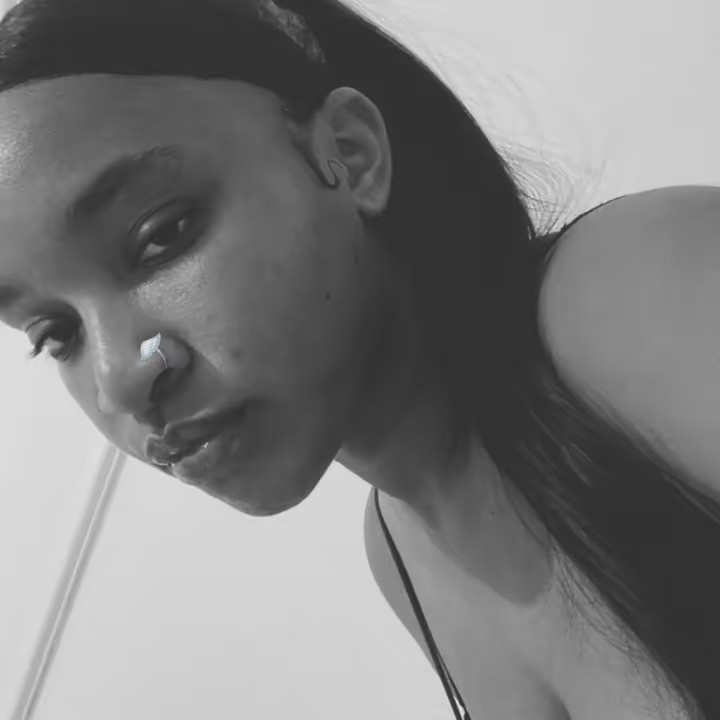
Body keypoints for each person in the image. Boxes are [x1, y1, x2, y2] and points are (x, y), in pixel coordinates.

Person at [0, 0, 717, 717]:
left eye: (162, 235)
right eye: (56, 332)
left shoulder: (624, 287)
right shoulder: (400, 556)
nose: (120, 381)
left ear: (350, 153)